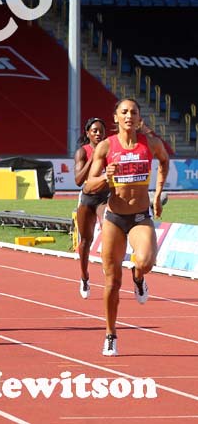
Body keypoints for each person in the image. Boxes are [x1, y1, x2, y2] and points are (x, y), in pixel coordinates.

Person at [85, 98, 169, 356]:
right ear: (116, 118)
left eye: (133, 111)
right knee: (112, 282)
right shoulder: (106, 147)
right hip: (114, 218)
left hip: (140, 216)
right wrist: (105, 177)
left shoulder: (150, 143)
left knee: (144, 261)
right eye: (124, 112)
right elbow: (88, 186)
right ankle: (111, 334)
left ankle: (139, 276)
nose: (129, 115)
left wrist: (157, 193)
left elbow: (164, 161)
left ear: (139, 117)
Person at [74, 117, 109, 299]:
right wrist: (93, 158)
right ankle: (84, 276)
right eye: (94, 130)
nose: (98, 133)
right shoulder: (82, 152)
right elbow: (78, 180)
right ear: (88, 133)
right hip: (87, 198)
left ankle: (107, 263)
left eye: (101, 131)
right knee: (86, 241)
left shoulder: (110, 150)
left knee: (108, 228)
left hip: (105, 197)